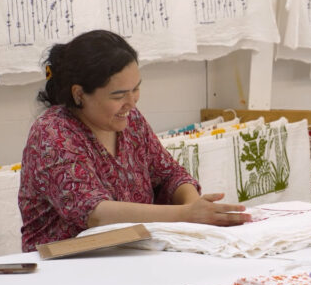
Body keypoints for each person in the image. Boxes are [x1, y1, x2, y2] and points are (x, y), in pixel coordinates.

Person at [18, 29, 250, 251]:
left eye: (136, 89)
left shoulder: (131, 120)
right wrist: (186, 215)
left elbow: (170, 175)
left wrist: (193, 206)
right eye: (118, 95)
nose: (132, 102)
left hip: (131, 255)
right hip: (62, 270)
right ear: (79, 94)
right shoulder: (52, 133)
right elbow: (95, 213)